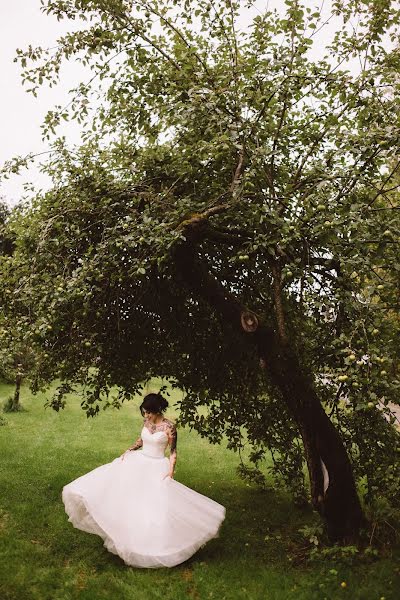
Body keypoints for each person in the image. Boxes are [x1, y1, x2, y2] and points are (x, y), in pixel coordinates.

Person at [62, 392, 226, 568]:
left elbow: (173, 451)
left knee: (154, 505)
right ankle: (128, 536)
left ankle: (154, 543)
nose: (146, 415)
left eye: (149, 412)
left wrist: (170, 471)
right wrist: (129, 450)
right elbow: (141, 440)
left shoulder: (170, 427)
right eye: (144, 412)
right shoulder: (146, 422)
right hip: (139, 462)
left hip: (157, 467)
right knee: (130, 499)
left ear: (157, 410)